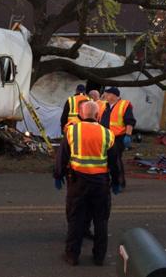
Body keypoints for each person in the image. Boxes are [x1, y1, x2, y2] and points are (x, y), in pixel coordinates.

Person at [54, 101, 114, 267]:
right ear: (97, 115)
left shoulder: (72, 131)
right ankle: (99, 257)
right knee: (101, 220)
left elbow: (62, 156)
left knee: (76, 219)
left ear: (81, 114)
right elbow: (114, 161)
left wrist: (58, 175)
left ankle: (72, 255)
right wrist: (118, 180)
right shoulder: (107, 134)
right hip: (100, 183)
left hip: (78, 182)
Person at [99, 87, 135, 193]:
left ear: (114, 95)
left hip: (118, 137)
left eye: (108, 94)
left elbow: (130, 121)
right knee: (105, 161)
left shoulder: (124, 105)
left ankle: (119, 182)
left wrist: (128, 135)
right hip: (104, 137)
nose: (105, 96)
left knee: (116, 160)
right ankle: (108, 182)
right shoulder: (104, 105)